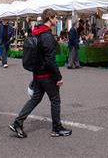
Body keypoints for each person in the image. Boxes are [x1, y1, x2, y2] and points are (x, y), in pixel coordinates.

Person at [9, 8, 72, 138]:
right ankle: (57, 128)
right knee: (55, 100)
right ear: (49, 18)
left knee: (35, 99)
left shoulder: (36, 33)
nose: (57, 19)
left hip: (37, 73)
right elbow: (50, 60)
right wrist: (59, 77)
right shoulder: (47, 36)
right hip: (46, 74)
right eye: (55, 17)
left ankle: (18, 122)